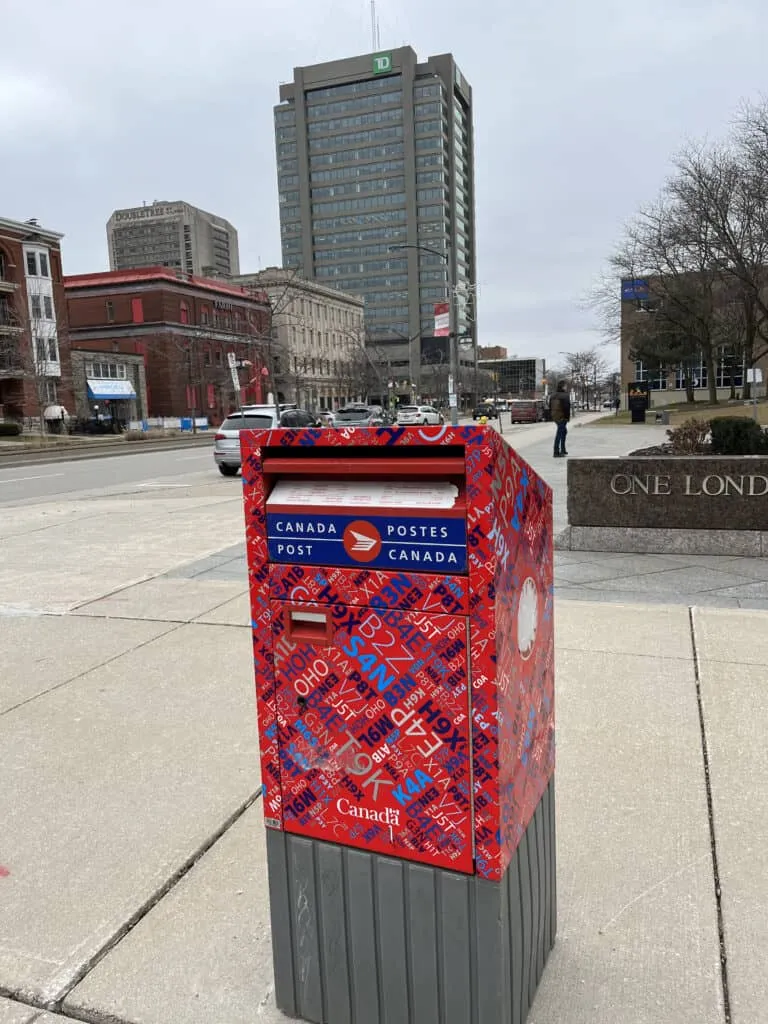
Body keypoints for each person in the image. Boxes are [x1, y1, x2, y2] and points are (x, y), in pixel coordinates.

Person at [549, 381, 571, 458]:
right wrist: (567, 418)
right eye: (565, 386)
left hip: (555, 416)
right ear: (563, 387)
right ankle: (556, 451)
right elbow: (566, 408)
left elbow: (550, 406)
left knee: (564, 431)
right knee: (560, 433)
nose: (566, 387)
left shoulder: (552, 395)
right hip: (562, 417)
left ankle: (563, 449)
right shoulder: (565, 395)